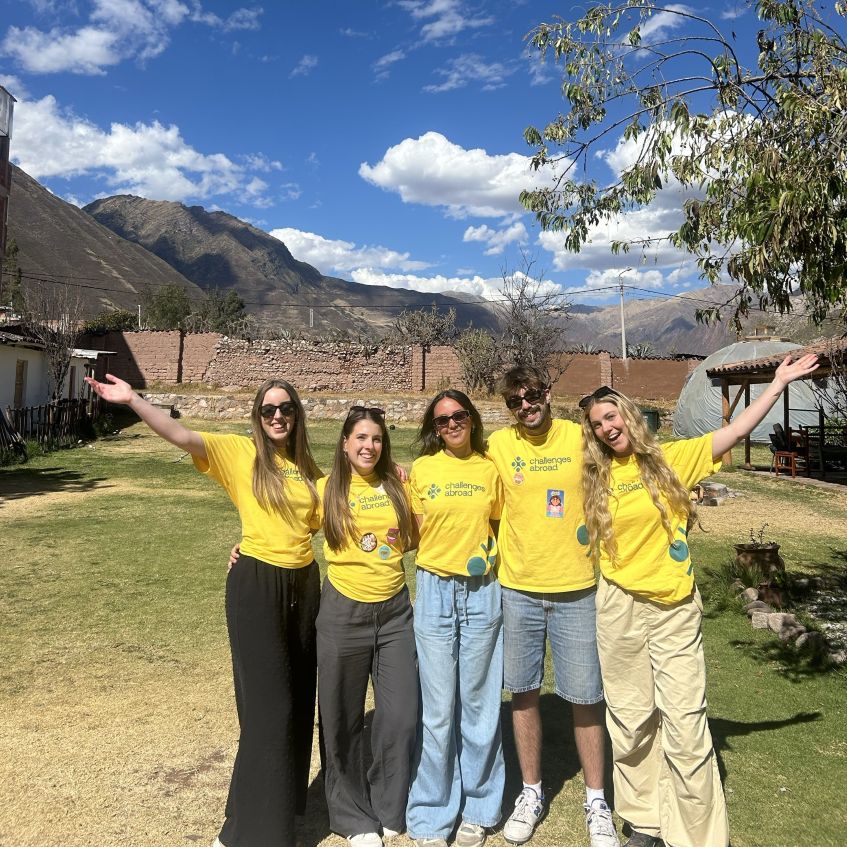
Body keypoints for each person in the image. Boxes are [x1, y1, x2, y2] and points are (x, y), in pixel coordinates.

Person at [579, 353, 818, 847]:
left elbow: (735, 432)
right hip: (618, 605)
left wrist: (776, 384)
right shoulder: (594, 477)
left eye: (611, 416)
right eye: (597, 424)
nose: (606, 427)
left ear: (627, 414)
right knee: (630, 716)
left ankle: (695, 835)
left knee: (685, 725)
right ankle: (644, 819)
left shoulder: (671, 459)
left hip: (672, 607)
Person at [84, 373, 322, 847]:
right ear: (257, 416)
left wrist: (397, 473)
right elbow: (181, 435)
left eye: (286, 408)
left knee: (296, 703)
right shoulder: (240, 453)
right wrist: (133, 400)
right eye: (268, 409)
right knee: (268, 709)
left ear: (297, 416)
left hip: (305, 586)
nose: (277, 416)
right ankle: (255, 834)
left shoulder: (309, 471)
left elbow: (348, 497)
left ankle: (272, 810)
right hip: (258, 586)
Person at [486, 365, 618, 847]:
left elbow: (628, 460)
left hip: (577, 589)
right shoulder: (500, 446)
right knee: (522, 693)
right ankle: (531, 791)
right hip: (517, 589)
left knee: (586, 698)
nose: (527, 405)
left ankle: (597, 801)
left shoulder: (580, 438)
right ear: (508, 407)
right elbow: (461, 474)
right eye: (516, 401)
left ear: (547, 393)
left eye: (534, 394)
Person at [316, 406, 418, 847]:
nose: (368, 446)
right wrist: (247, 544)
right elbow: (288, 526)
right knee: (342, 718)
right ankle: (352, 816)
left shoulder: (398, 487)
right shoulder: (326, 490)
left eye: (375, 439)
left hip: (395, 612)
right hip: (343, 611)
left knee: (401, 715)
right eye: (359, 438)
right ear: (344, 443)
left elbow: (423, 530)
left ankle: (389, 804)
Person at [405, 390, 505, 847]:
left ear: (472, 419)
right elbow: (408, 529)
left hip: (482, 590)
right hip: (433, 590)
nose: (451, 425)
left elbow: (505, 524)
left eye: (458, 416)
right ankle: (431, 812)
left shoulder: (490, 469)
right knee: (439, 707)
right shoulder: (423, 470)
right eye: (442, 420)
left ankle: (480, 807)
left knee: (480, 703)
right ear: (434, 427)